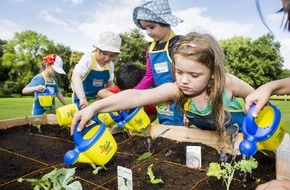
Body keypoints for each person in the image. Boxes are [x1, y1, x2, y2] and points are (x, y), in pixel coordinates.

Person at [70, 32, 254, 145]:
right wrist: (94, 108)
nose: (184, 81)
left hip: (246, 138)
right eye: (179, 72)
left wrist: (246, 133)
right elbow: (135, 97)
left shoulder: (228, 83)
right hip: (211, 141)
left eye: (194, 75)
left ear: (213, 72)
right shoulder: (177, 90)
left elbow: (256, 98)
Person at [132, 0, 184, 126]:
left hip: (181, 100)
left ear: (165, 22)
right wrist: (133, 94)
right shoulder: (150, 49)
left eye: (151, 27)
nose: (148, 32)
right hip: (161, 100)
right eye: (145, 28)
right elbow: (149, 77)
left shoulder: (179, 45)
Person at [71, 31, 122, 109]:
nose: (107, 58)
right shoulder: (88, 58)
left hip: (97, 100)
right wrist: (82, 98)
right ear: (97, 49)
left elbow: (110, 84)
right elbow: (76, 76)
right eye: (104, 53)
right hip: (81, 99)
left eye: (111, 56)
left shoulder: (110, 65)